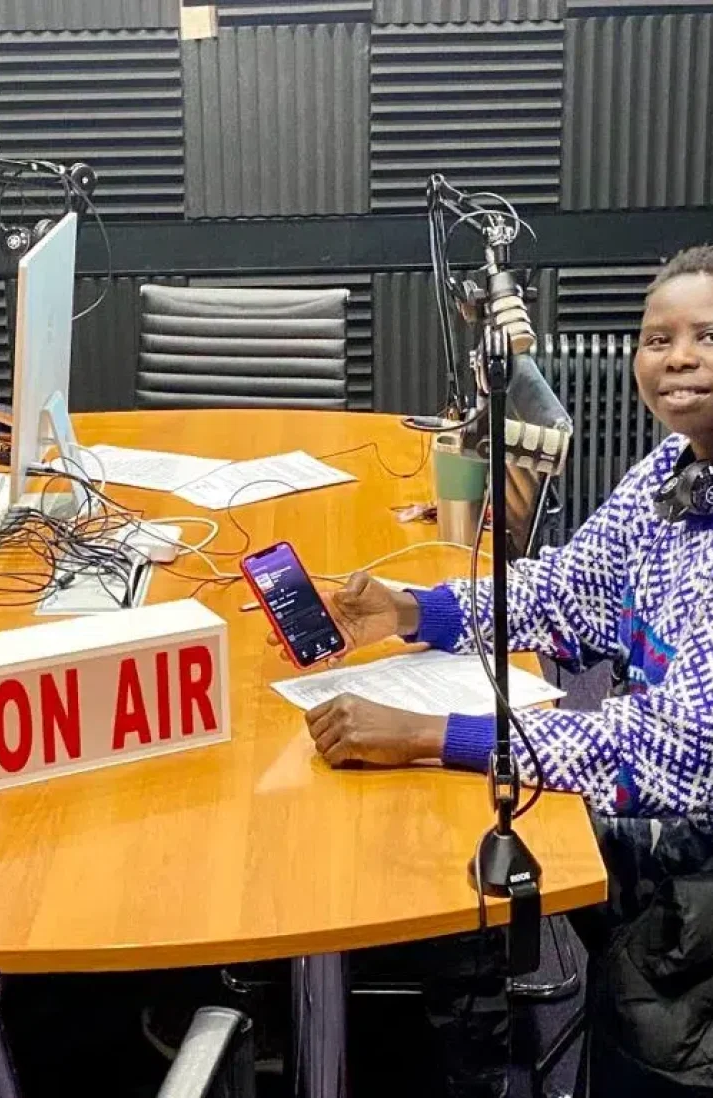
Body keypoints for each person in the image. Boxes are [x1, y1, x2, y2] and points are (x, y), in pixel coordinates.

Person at [273, 244, 713, 1096]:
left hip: (692, 868)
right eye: (658, 340)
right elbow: (571, 589)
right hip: (653, 784)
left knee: (436, 844)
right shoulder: (672, 471)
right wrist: (415, 611)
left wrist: (436, 736)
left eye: (707, 337)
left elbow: (678, 754)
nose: (679, 359)